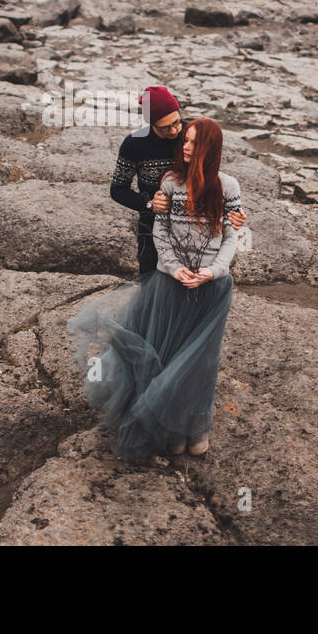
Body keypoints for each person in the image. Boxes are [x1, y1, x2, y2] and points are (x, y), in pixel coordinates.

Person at [71, 117, 242, 461]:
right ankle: (170, 426)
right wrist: (174, 268)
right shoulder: (170, 182)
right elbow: (159, 232)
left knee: (201, 362)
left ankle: (196, 426)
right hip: (170, 283)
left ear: (211, 148)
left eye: (194, 142)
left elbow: (231, 237)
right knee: (169, 353)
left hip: (212, 289)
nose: (186, 146)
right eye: (186, 141)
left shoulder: (228, 187)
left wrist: (210, 272)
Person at [110, 86, 244, 276]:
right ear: (152, 124)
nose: (174, 131)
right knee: (150, 282)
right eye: (165, 128)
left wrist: (233, 211)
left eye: (176, 122)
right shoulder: (134, 144)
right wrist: (150, 204)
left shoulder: (192, 134)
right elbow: (118, 189)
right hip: (153, 227)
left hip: (197, 229)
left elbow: (211, 173)